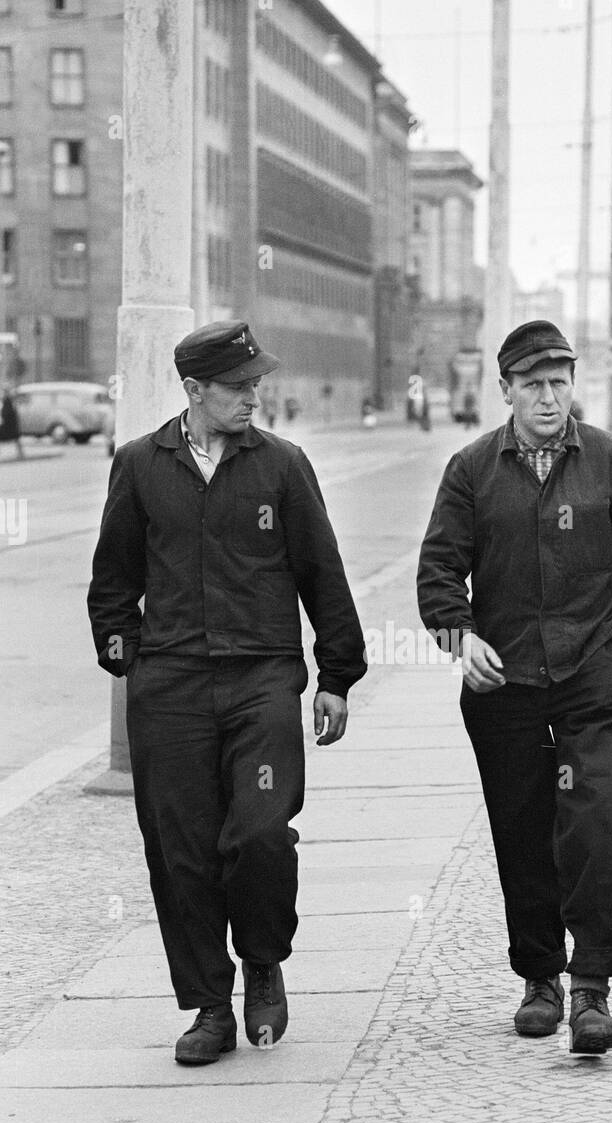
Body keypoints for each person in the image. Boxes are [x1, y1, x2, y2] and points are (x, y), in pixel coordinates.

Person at [88, 321, 367, 1065]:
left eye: (255, 384)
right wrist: (132, 665)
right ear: (193, 391)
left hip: (261, 681)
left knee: (259, 834)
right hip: (171, 689)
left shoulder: (282, 466)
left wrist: (336, 676)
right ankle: (210, 1006)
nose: (253, 396)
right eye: (238, 386)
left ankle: (263, 961)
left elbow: (322, 575)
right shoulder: (140, 466)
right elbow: (113, 582)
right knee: (180, 851)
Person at [417, 320, 612, 1054]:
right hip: (504, 688)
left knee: (600, 822)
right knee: (523, 831)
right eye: (531, 383)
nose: (547, 396)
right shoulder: (471, 470)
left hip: (591, 681)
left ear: (573, 386)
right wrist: (457, 636)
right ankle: (539, 977)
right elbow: (439, 570)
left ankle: (591, 988)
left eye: (558, 382)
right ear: (503, 390)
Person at [0, 389, 24, 460]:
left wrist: (3, 419)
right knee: (16, 438)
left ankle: (20, 453)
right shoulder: (9, 400)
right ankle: (20, 453)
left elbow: (7, 412)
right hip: (13, 423)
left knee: (16, 438)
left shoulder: (7, 401)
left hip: (12, 424)